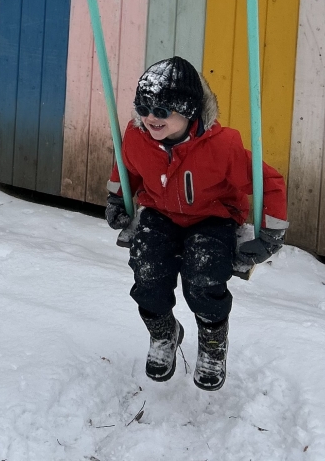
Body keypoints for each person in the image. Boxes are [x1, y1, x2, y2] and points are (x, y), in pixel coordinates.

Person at [105, 56, 287, 391]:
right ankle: (164, 333)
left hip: (212, 217)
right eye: (143, 108)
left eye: (162, 111)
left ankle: (213, 343)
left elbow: (270, 182)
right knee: (147, 273)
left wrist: (271, 233)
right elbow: (126, 168)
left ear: (188, 111)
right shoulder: (136, 137)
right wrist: (118, 198)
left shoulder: (222, 146)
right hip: (160, 212)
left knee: (204, 278)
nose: (150, 118)